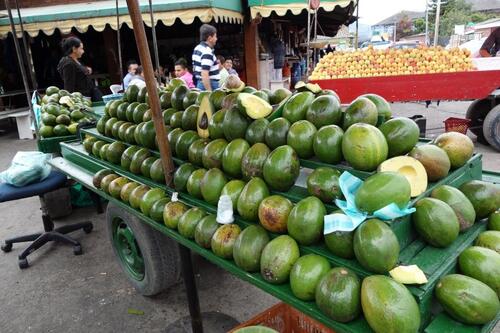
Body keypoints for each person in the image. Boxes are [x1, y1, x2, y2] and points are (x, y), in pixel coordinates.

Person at [57, 37, 102, 101]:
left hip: (90, 93)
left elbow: (79, 71)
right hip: (82, 99)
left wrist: (87, 70)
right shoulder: (68, 64)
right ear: (74, 49)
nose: (83, 51)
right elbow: (69, 87)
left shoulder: (75, 60)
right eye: (81, 49)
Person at [192, 24, 220, 91]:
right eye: (215, 36)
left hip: (200, 83)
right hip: (209, 84)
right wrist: (209, 91)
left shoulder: (197, 48)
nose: (216, 39)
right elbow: (204, 73)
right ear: (210, 38)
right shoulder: (207, 51)